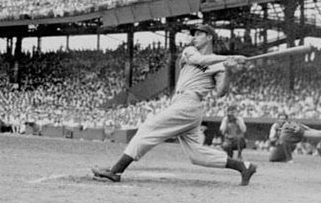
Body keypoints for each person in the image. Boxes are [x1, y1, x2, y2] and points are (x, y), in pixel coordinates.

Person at [91, 24, 257, 186]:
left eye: (199, 34)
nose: (194, 37)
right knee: (196, 155)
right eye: (194, 34)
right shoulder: (190, 51)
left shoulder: (220, 65)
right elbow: (200, 60)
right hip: (181, 103)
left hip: (190, 104)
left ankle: (116, 171)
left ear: (209, 37)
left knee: (147, 128)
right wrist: (228, 57)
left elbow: (221, 92)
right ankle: (243, 167)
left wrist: (227, 69)